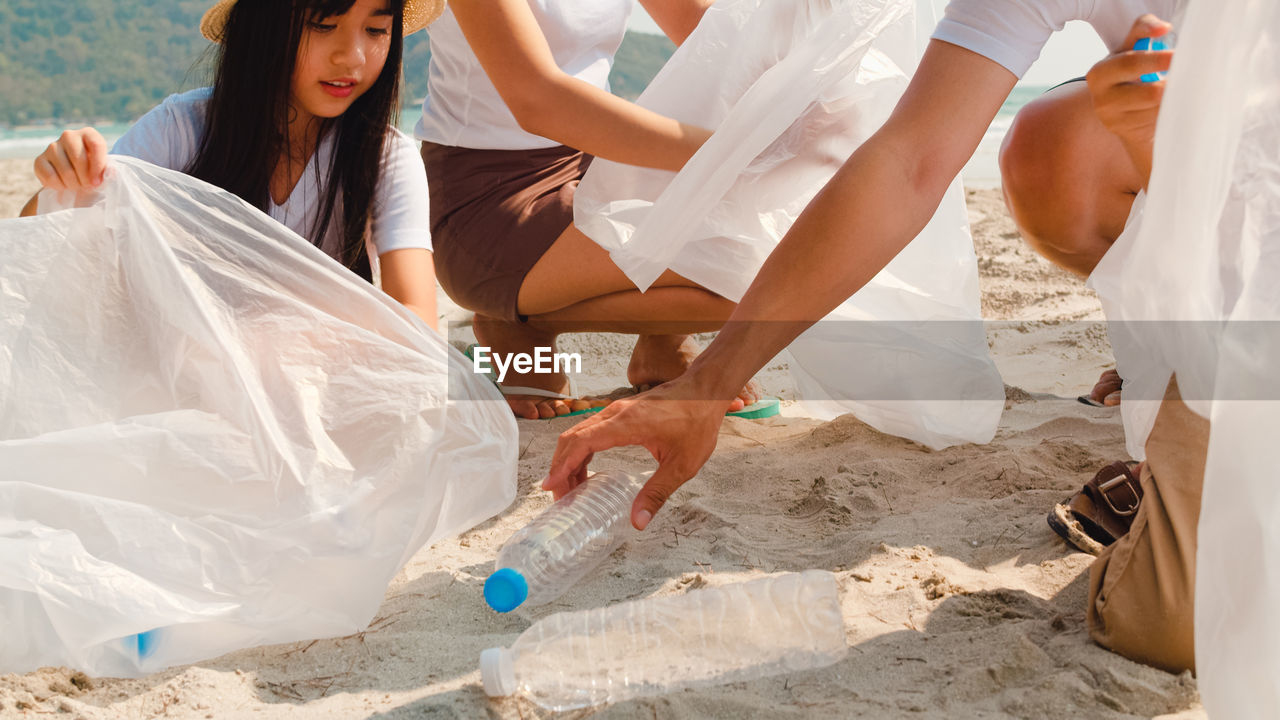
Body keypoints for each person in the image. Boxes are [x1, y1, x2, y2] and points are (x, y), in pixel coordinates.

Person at [546, 5, 1199, 673]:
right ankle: (1167, 388)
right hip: (1227, 239)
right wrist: (707, 383)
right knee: (1167, 626)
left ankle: (1180, 410)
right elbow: (908, 160)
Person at [417, 0, 766, 419]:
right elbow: (537, 98)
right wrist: (730, 154)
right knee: (753, 275)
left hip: (595, 162)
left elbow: (719, 39)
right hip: (491, 197)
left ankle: (663, 344)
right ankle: (515, 321)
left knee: (777, 254)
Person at [20, 0, 442, 331]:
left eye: (376, 30)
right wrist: (66, 178)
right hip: (183, 384)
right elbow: (37, 242)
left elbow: (418, 317)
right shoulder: (183, 129)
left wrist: (285, 330)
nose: (352, 57)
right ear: (262, 24)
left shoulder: (385, 157)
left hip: (313, 388)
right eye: (323, 24)